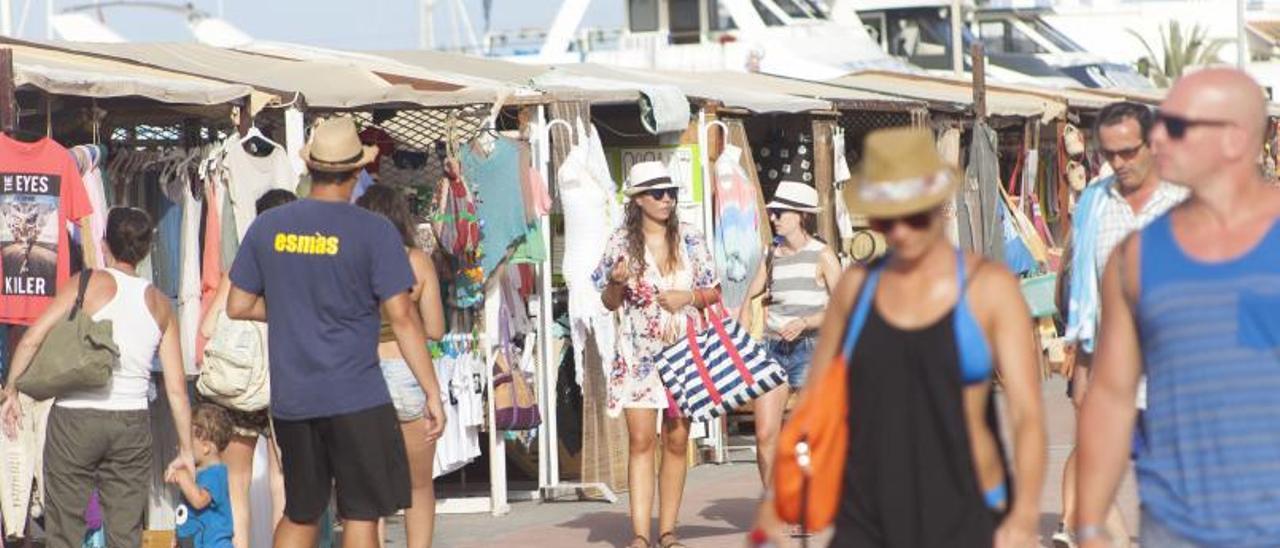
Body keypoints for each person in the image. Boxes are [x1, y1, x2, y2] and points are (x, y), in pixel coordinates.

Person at [756, 127, 1046, 547]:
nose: (902, 232)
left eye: (914, 216)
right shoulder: (857, 288)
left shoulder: (988, 288)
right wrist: (779, 502)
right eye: (888, 219)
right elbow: (816, 405)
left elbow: (1027, 415)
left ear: (938, 208)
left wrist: (1021, 518)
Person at [1076, 69, 1280, 547]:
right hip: (1174, 526)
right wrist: (1088, 523)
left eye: (1177, 126)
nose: (1158, 137)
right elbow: (1110, 396)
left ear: (1235, 139)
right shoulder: (1136, 258)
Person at [225, 117, 444, 548]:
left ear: (311, 167)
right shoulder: (374, 230)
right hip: (356, 395)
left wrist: (291, 309)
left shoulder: (269, 227)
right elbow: (402, 316)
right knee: (360, 512)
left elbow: (239, 304)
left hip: (294, 397)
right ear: (357, 170)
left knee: (302, 511)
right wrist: (431, 391)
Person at [0, 207, 195, 547]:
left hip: (75, 417)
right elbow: (177, 391)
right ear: (147, 249)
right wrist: (187, 450)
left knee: (64, 530)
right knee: (125, 533)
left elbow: (33, 337)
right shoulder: (161, 304)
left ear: (104, 245)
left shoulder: (86, 283)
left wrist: (11, 389)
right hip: (131, 423)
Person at [1056, 102, 1187, 547]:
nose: (1118, 163)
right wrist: (1082, 364)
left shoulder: (1186, 199)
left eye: (1129, 152)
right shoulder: (1094, 202)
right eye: (1109, 153)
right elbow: (1086, 289)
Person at [592, 161, 721, 548]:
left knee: (678, 441)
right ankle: (639, 535)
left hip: (683, 351)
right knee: (641, 440)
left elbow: (714, 292)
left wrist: (689, 297)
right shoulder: (619, 243)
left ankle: (668, 531)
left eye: (671, 193)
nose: (667, 199)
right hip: (637, 355)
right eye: (657, 193)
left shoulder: (692, 238)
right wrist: (615, 283)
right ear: (638, 199)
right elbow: (609, 301)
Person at [200, 188, 296, 548]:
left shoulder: (245, 262)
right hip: (288, 382)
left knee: (236, 482)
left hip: (243, 387)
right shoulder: (304, 267)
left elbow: (209, 327)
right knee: (283, 481)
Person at [355, 184, 446, 547]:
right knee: (419, 485)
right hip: (409, 372)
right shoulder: (417, 261)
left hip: (364, 375)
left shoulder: (353, 260)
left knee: (368, 490)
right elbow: (436, 330)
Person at [739, 181, 841, 485]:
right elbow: (753, 291)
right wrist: (743, 320)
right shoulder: (771, 253)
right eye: (773, 212)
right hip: (771, 348)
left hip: (810, 347)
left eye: (780, 212)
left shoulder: (822, 255)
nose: (774, 217)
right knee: (765, 433)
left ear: (801, 216)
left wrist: (806, 322)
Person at [169, 404, 235, 548]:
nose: (181, 447)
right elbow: (186, 509)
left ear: (205, 447)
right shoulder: (195, 472)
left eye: (187, 443)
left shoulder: (215, 473)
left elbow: (199, 500)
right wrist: (177, 536)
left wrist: (183, 477)